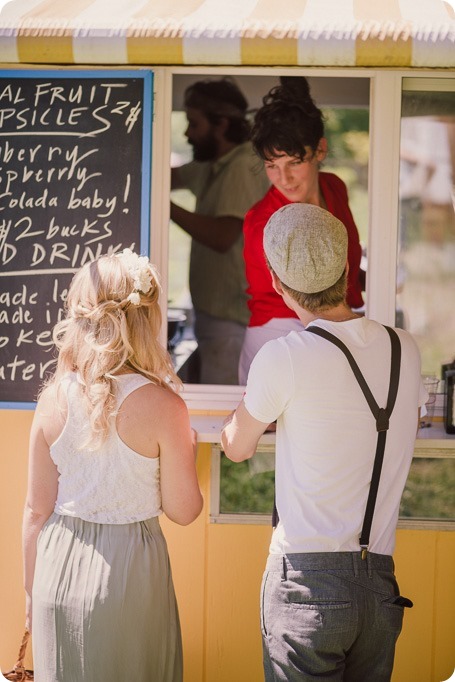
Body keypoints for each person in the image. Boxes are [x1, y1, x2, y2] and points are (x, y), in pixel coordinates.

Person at [222, 204, 427, 681]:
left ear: (276, 281)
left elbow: (237, 446)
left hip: (305, 586)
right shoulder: (405, 348)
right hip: (379, 584)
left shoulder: (285, 356)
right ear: (346, 268)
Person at [22, 249, 203, 682]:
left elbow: (35, 510)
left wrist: (31, 594)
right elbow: (184, 510)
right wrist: (187, 451)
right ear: (147, 320)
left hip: (56, 566)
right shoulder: (165, 407)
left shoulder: (52, 399)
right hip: (130, 573)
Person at [239, 76, 364, 384]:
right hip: (277, 335)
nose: (284, 178)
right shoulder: (261, 220)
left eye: (294, 162)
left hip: (340, 328)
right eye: (272, 166)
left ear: (320, 150)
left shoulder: (335, 188)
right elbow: (292, 299)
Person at [171, 77, 270, 385]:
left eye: (194, 124)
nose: (187, 133)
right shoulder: (214, 163)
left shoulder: (241, 165)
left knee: (221, 416)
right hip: (215, 319)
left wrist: (162, 205)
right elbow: (163, 176)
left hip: (231, 322)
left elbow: (222, 236)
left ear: (221, 124)